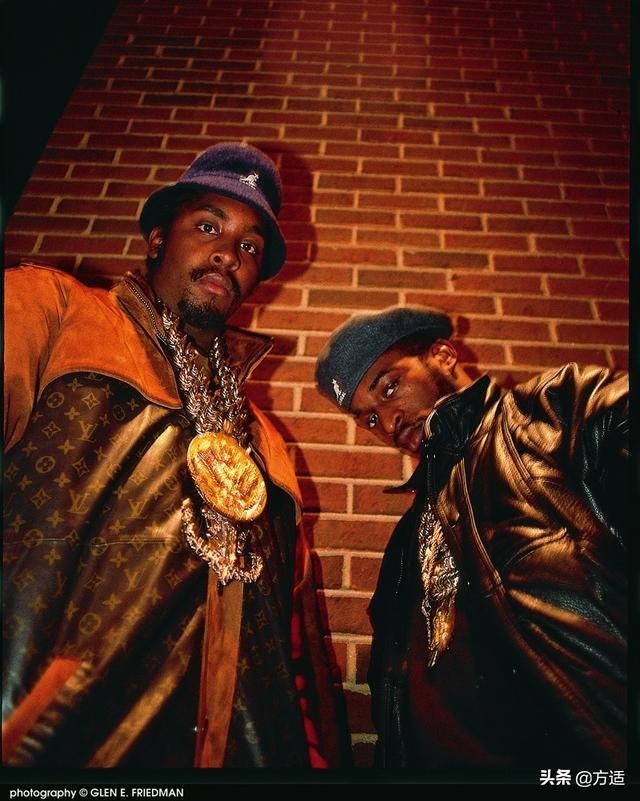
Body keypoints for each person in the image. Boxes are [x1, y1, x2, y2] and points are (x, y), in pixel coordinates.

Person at [3, 142, 349, 769]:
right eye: (209, 226)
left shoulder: (267, 443)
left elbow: (296, 646)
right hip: (49, 740)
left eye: (249, 246)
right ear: (158, 237)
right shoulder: (53, 308)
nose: (229, 253)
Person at [315, 306, 627, 772]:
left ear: (442, 356)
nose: (389, 423)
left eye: (390, 387)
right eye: (369, 419)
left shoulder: (552, 412)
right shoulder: (402, 550)